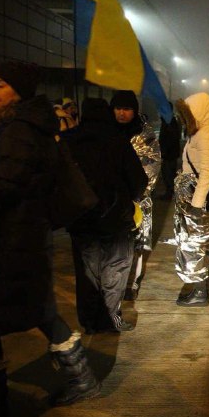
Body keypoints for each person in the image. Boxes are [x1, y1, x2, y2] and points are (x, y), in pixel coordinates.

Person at [0, 62, 99, 417]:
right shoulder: (28, 126)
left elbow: (2, 189)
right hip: (20, 237)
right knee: (34, 308)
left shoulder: (17, 130)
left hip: (5, 240)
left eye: (1, 85)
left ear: (19, 90)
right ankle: (79, 379)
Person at [65, 98, 148, 333]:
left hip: (80, 218)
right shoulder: (117, 141)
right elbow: (139, 180)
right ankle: (110, 320)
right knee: (114, 270)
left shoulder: (69, 140)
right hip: (115, 218)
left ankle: (89, 322)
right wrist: (128, 199)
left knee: (86, 272)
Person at [172, 92, 209, 306]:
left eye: (189, 114)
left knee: (195, 244)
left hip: (197, 198)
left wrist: (196, 205)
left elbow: (207, 173)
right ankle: (197, 288)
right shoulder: (198, 133)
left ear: (200, 113)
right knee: (191, 243)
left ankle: (200, 291)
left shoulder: (206, 136)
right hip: (190, 196)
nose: (186, 119)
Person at [110, 90, 162, 301]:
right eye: (118, 108)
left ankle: (130, 284)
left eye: (127, 109)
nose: (122, 113)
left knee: (136, 245)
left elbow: (151, 168)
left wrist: (133, 195)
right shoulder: (107, 132)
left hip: (136, 201)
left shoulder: (144, 135)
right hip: (110, 201)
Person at [156, 102, 182, 200]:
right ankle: (169, 193)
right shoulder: (168, 120)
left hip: (169, 154)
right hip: (170, 154)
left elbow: (170, 139)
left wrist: (164, 153)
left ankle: (169, 194)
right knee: (168, 174)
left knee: (168, 174)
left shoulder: (169, 121)